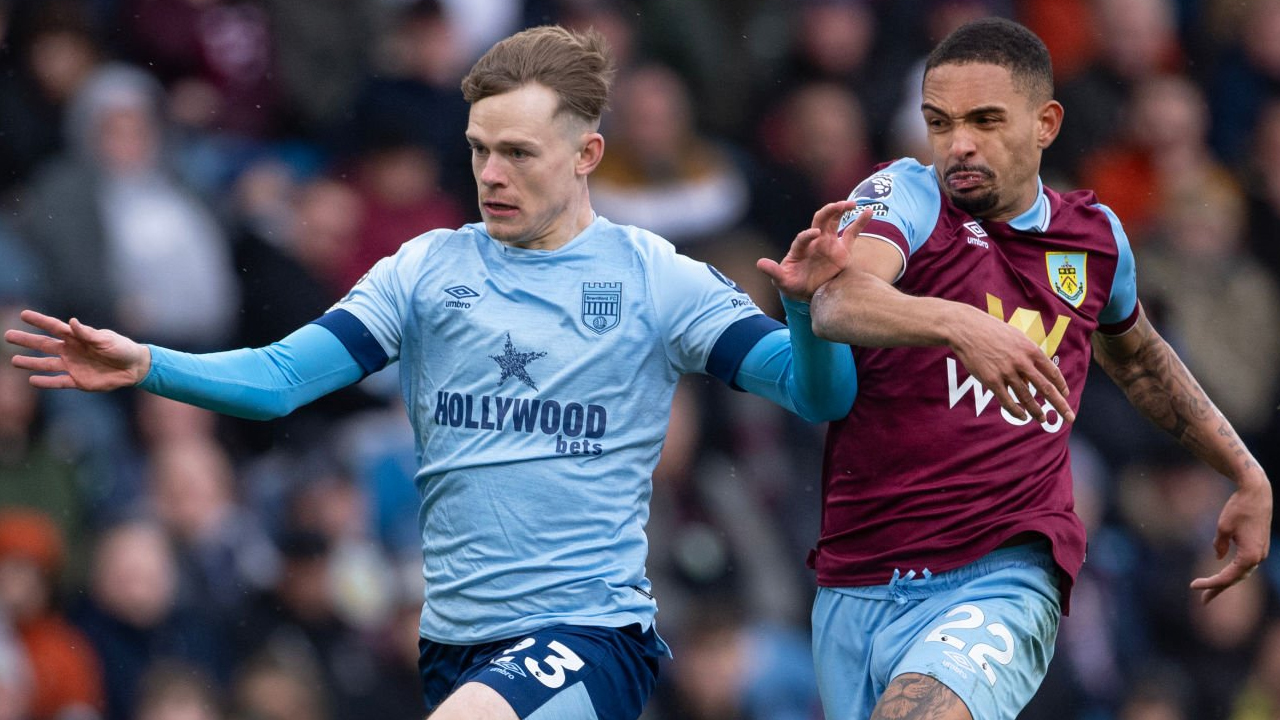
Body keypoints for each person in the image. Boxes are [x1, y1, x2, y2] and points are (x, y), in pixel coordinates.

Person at [5, 25, 860, 720]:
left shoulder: (654, 278)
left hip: (587, 636)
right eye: (480, 149)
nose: (491, 175)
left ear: (589, 153)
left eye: (519, 152)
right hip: (453, 644)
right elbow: (278, 380)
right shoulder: (425, 270)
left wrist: (804, 313)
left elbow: (820, 392)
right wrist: (148, 364)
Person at [756, 17, 1272, 720]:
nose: (958, 143)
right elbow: (839, 300)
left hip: (1002, 573)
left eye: (985, 120)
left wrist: (1243, 471)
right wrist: (963, 324)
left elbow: (1142, 361)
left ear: (1046, 122)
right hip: (861, 576)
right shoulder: (905, 195)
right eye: (940, 122)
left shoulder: (1094, 239)